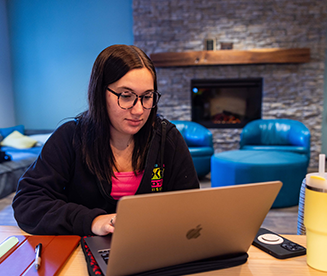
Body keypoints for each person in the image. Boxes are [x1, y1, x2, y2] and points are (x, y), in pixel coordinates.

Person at [12, 44, 200, 237]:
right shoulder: (70, 138)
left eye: (147, 97)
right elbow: (27, 204)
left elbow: (191, 208)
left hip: (152, 250)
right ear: (100, 93)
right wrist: (92, 221)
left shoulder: (167, 139)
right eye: (126, 96)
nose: (138, 110)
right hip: (81, 254)